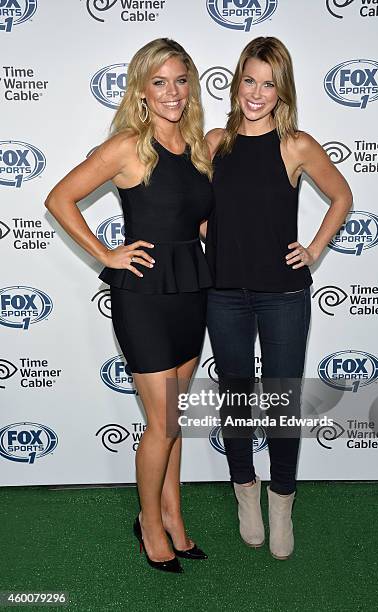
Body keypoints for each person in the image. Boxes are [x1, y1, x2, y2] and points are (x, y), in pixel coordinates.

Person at [44, 38, 213, 573]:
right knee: (161, 422)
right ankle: (149, 525)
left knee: (173, 419)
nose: (172, 92)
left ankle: (175, 518)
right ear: (141, 89)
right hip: (142, 296)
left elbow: (199, 221)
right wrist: (107, 255)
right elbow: (58, 198)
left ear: (191, 86)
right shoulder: (128, 146)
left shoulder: (199, 149)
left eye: (180, 80)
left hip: (192, 288)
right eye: (159, 82)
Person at [203, 36, 352, 560]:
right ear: (235, 82)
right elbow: (196, 203)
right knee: (237, 398)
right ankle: (246, 492)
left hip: (284, 294)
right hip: (223, 293)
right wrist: (210, 235)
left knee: (283, 402)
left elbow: (342, 197)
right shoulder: (214, 141)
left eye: (269, 83)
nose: (257, 93)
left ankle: (282, 500)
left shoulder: (297, 145)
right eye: (250, 80)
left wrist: (313, 248)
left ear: (282, 89)